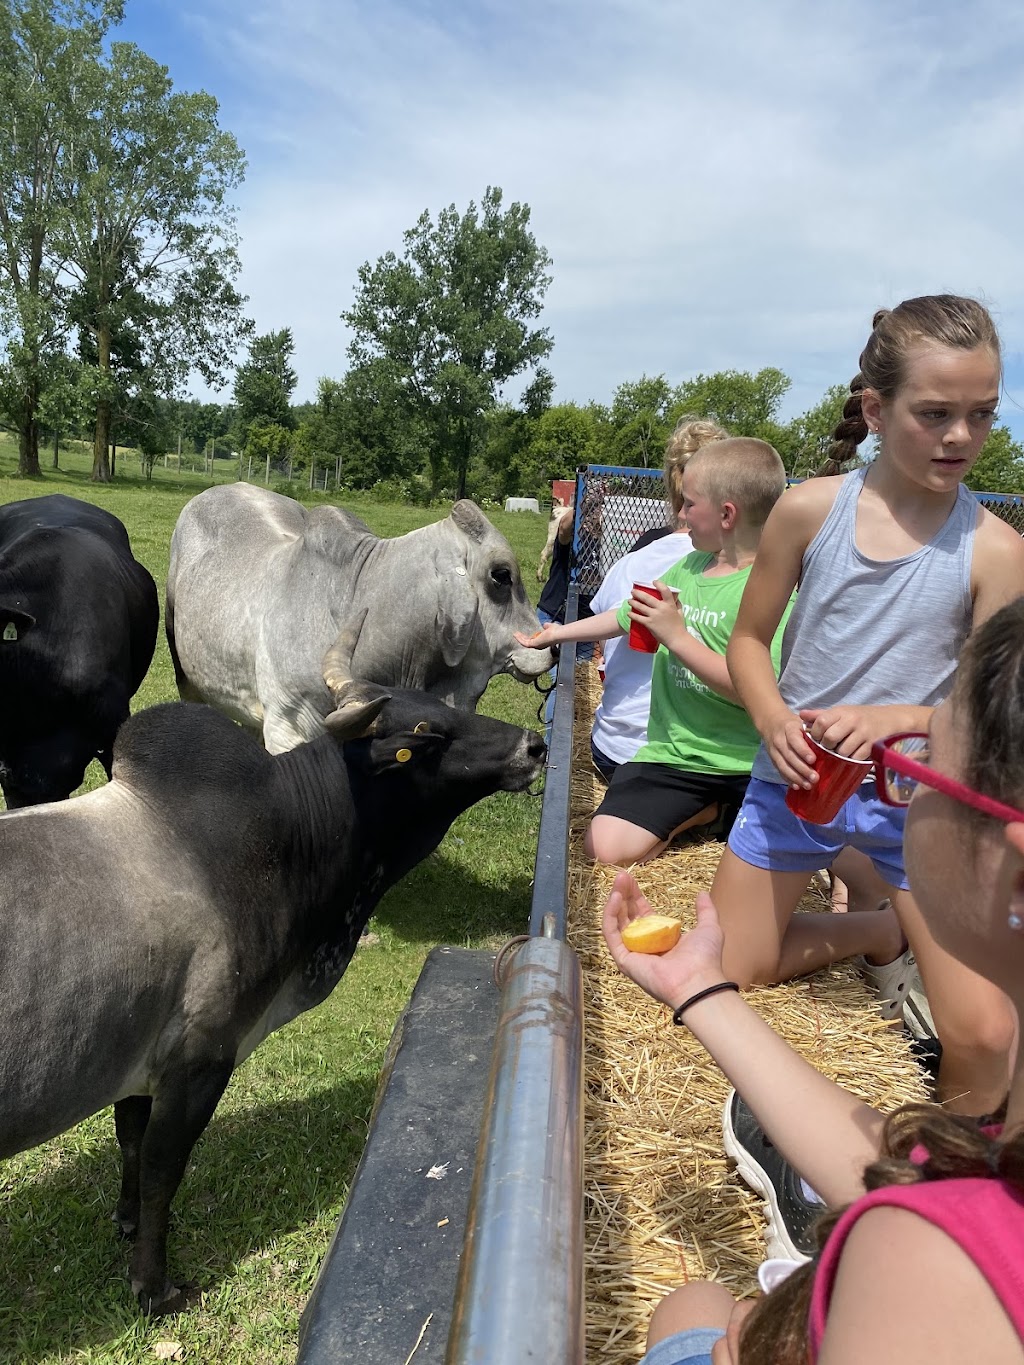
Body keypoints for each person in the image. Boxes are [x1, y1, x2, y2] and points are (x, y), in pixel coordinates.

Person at [602, 596, 1024, 1365]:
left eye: (920, 768)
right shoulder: (994, 1160)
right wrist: (701, 990)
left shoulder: (924, 1259)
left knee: (692, 1308)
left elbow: (939, 1231)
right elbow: (930, 1183)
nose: (899, 783)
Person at [712, 294, 1024, 1115]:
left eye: (982, 415)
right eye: (936, 413)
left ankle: (939, 1177)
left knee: (986, 1035)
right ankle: (874, 931)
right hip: (800, 777)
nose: (962, 436)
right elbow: (749, 642)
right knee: (733, 967)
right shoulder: (812, 509)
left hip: (916, 807)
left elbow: (985, 719)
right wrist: (774, 718)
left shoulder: (996, 551)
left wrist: (902, 719)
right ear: (877, 411)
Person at [517, 437, 792, 866]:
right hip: (676, 755)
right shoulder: (690, 566)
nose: (679, 516)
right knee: (603, 849)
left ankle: (717, 807)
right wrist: (557, 634)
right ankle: (711, 812)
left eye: (689, 505)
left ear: (726, 515)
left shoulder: (772, 588)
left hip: (748, 764)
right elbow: (626, 615)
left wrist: (677, 637)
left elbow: (755, 691)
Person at [589, 417, 729, 782]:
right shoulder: (748, 574)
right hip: (694, 763)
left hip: (611, 750)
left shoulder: (631, 563)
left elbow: (604, 644)